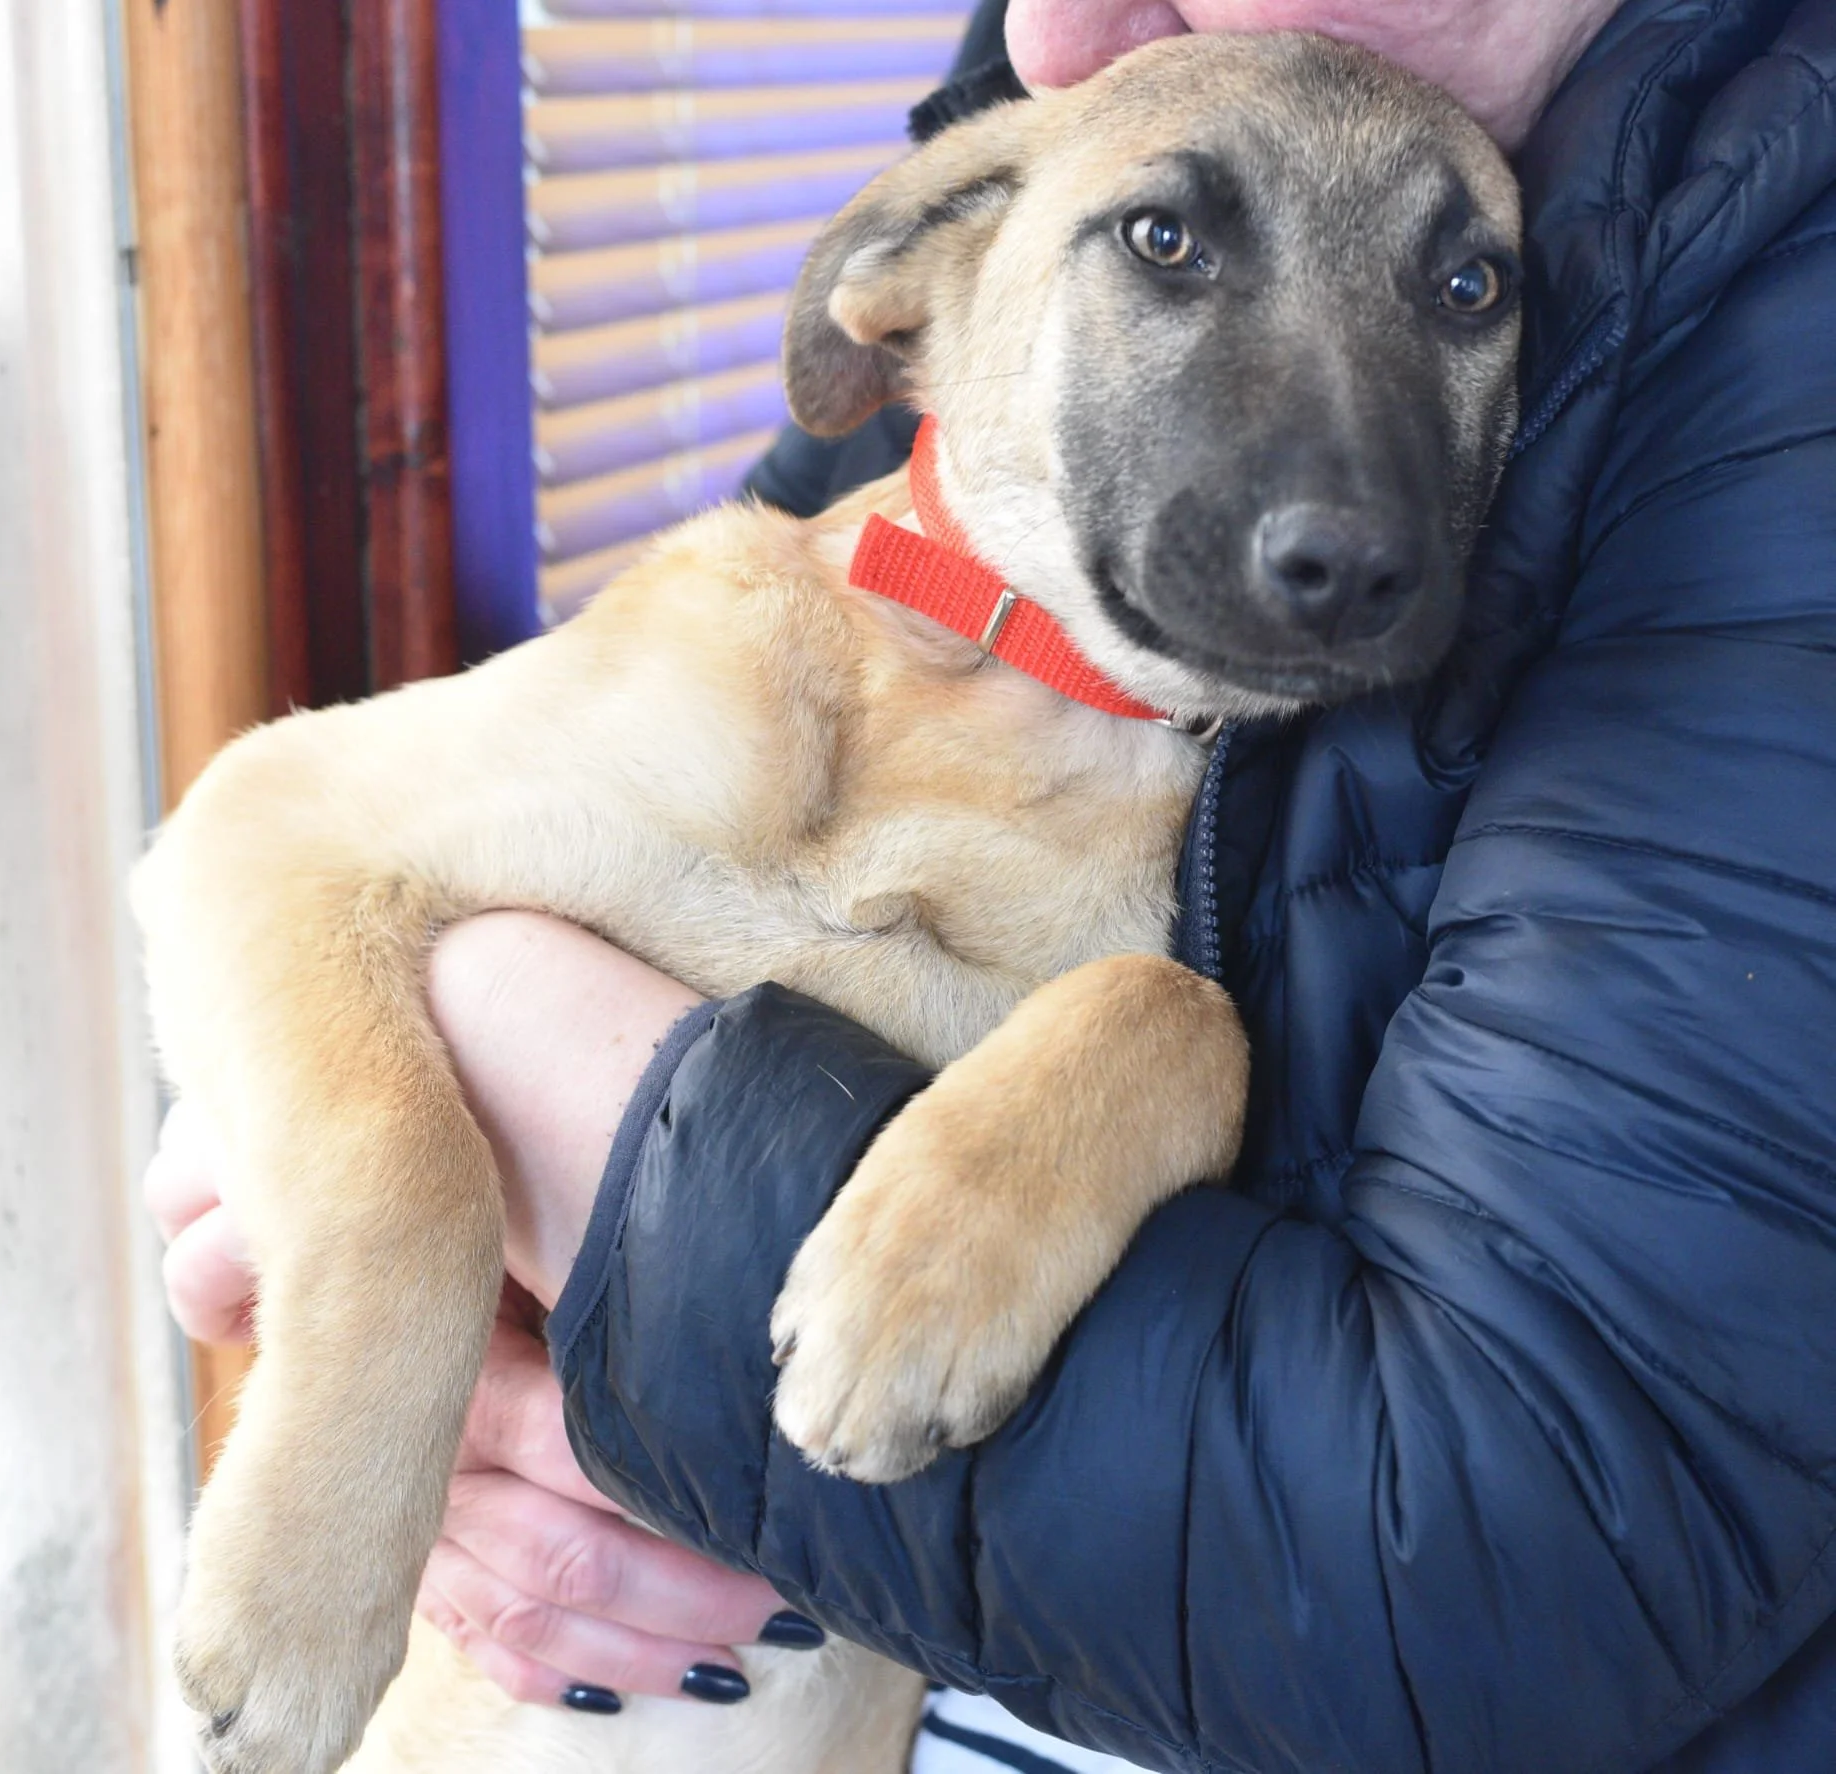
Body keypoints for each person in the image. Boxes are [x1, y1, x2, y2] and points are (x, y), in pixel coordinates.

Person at [148, 0, 1836, 1765]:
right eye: (1166, 243)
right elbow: (258, 847)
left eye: (1464, 290)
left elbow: (1471, 1515)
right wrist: (394, 1305)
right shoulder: (749, 638)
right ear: (914, 287)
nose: (1054, 29)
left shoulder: (1227, 888)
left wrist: (1141, 1055)